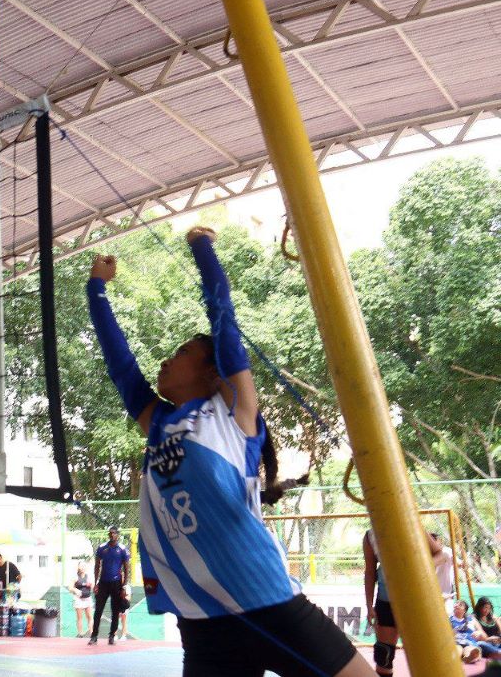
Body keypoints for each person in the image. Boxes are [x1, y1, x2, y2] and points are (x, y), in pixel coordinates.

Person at [86, 232, 372, 677]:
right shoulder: (157, 423)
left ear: (211, 371)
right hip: (204, 622)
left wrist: (202, 248)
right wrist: (96, 289)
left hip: (267, 602)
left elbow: (224, 321)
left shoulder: (234, 413)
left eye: (181, 353)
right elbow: (119, 362)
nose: (165, 361)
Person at [363, 528, 448, 675]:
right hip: (386, 600)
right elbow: (370, 571)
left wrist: (423, 566)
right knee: (384, 654)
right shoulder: (370, 536)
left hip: (416, 601)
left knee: (424, 653)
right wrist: (369, 605)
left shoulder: (409, 523)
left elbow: (442, 555)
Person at [88, 526, 129, 646]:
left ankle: (112, 635)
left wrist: (124, 586)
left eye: (114, 533)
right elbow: (97, 566)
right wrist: (96, 583)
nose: (111, 535)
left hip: (116, 583)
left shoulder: (122, 549)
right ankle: (94, 636)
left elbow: (127, 569)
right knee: (98, 610)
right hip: (103, 583)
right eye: (110, 533)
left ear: (118, 535)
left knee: (115, 611)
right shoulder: (102, 548)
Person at [69, 563, 93, 637]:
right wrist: (76, 590)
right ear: (78, 567)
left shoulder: (88, 577)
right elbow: (70, 588)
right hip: (78, 599)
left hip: (87, 598)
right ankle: (80, 633)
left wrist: (91, 585)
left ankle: (92, 632)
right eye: (81, 566)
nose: (82, 568)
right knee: (80, 617)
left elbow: (93, 586)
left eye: (84, 566)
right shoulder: (75, 577)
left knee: (90, 616)